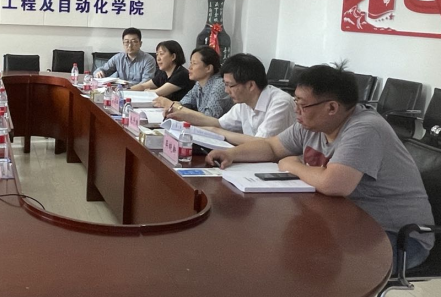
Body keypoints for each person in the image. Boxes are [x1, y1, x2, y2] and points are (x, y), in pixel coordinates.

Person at [206, 64, 435, 272]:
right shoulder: (311, 124)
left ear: (332, 107)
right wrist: (232, 154)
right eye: (295, 101)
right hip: (346, 222)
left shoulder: (365, 129)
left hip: (397, 237)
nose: (296, 110)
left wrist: (292, 165)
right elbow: (271, 147)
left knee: (308, 262)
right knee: (275, 245)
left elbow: (334, 184)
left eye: (302, 104)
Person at [177, 53, 295, 145]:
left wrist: (215, 131)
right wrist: (184, 117)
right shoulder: (245, 101)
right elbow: (219, 124)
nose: (226, 90)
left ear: (250, 85)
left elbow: (262, 144)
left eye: (230, 85)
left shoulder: (280, 103)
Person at [153, 46, 232, 120]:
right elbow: (183, 103)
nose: (190, 67)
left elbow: (209, 118)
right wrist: (169, 106)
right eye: (191, 63)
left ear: (208, 68)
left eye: (194, 63)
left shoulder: (220, 85)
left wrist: (171, 105)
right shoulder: (198, 84)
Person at [128, 40, 194, 101]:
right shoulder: (163, 73)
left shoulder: (182, 74)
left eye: (161, 54)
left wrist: (147, 91)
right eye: (157, 54)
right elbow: (143, 86)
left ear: (173, 57)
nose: (158, 58)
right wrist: (126, 90)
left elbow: (157, 93)